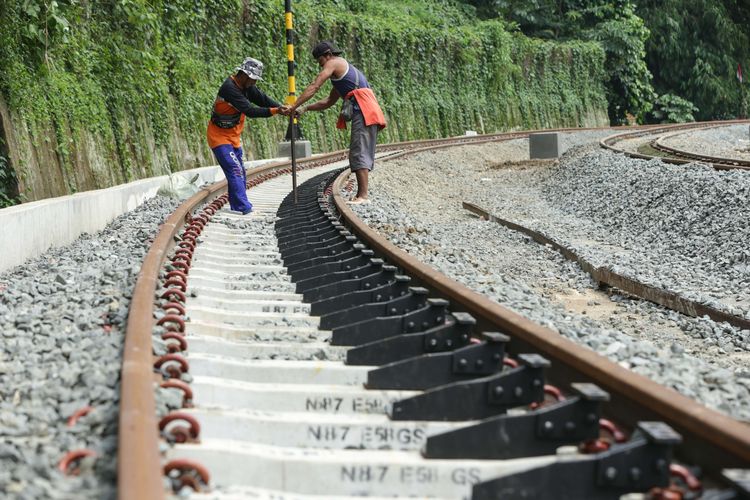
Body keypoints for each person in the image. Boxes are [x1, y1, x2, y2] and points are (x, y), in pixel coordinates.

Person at [289, 41, 386, 204]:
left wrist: (294, 106)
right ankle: (361, 195)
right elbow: (328, 101)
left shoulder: (334, 63)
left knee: (359, 151)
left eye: (320, 61)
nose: (321, 66)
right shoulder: (341, 76)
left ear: (328, 54)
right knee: (358, 150)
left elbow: (315, 86)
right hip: (364, 110)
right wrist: (305, 108)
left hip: (364, 111)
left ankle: (363, 196)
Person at [207, 57, 288, 214]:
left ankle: (236, 204)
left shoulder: (247, 86)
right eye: (253, 79)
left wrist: (281, 107)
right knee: (235, 169)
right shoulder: (229, 88)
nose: (254, 83)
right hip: (219, 137)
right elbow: (249, 110)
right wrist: (276, 111)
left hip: (234, 136)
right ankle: (242, 207)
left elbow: (262, 99)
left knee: (240, 171)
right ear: (243, 75)